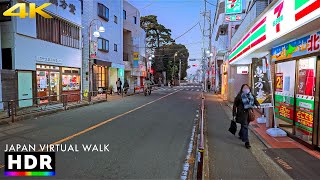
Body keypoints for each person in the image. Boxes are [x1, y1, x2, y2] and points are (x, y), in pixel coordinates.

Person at [233, 84, 260, 149]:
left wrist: (258, 105)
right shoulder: (239, 96)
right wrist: (234, 113)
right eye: (244, 88)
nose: (246, 89)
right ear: (242, 89)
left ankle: (240, 134)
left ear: (249, 88)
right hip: (241, 113)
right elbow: (235, 105)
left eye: (247, 87)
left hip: (249, 113)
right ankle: (246, 142)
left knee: (245, 125)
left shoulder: (251, 95)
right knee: (245, 126)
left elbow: (255, 101)